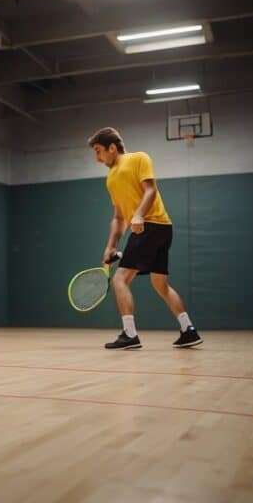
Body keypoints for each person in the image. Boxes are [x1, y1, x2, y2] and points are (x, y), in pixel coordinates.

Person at [88, 127, 202, 350]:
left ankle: (130, 335)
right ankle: (188, 330)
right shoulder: (111, 179)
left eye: (99, 151)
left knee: (120, 280)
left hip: (150, 225)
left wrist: (139, 214)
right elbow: (119, 217)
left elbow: (150, 190)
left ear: (112, 147)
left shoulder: (139, 158)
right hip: (155, 229)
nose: (97, 158)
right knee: (160, 284)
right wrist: (110, 246)